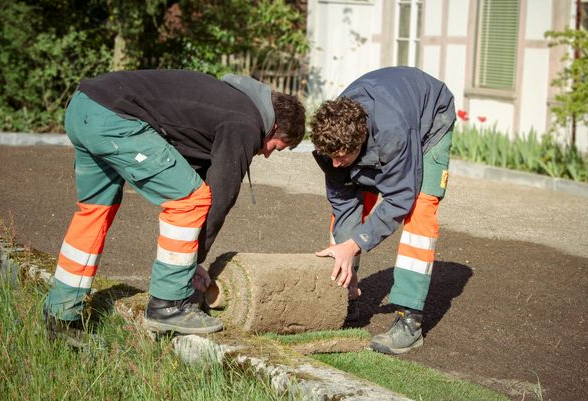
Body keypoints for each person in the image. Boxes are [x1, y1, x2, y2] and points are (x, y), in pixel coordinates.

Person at [43, 69, 305, 342]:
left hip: (84, 106)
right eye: (277, 146)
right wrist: (191, 262)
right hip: (113, 119)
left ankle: (61, 315)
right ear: (275, 127)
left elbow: (193, 167)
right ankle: (167, 306)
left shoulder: (229, 101)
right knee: (190, 199)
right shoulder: (246, 122)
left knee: (95, 212)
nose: (265, 153)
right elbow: (221, 196)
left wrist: (189, 258)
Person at [311, 66, 455, 354]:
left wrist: (357, 243)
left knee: (419, 211)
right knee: (354, 201)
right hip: (389, 117)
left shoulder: (394, 134)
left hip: (428, 122)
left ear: (360, 142)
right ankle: (344, 296)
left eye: (341, 158)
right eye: (331, 157)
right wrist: (347, 260)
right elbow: (343, 204)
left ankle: (410, 321)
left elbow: (400, 197)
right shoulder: (332, 141)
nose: (334, 165)